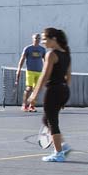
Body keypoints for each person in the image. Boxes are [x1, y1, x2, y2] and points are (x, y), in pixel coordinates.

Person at [25, 27, 73, 161]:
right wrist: (64, 96)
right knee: (46, 120)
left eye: (45, 39)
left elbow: (44, 77)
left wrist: (34, 95)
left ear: (54, 39)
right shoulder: (66, 53)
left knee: (52, 122)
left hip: (54, 91)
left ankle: (58, 154)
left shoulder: (51, 54)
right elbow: (68, 76)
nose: (43, 42)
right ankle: (63, 146)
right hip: (63, 90)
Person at [18, 30, 45, 111]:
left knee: (36, 89)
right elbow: (22, 59)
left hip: (39, 72)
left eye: (39, 38)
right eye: (36, 38)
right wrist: (19, 69)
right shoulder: (28, 49)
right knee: (29, 88)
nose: (37, 39)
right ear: (32, 39)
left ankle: (32, 106)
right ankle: (24, 105)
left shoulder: (42, 49)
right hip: (30, 71)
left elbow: (45, 60)